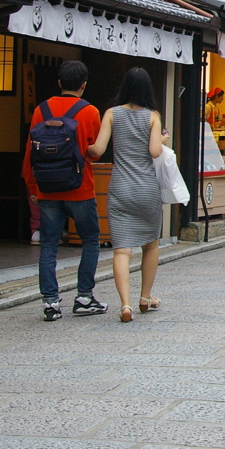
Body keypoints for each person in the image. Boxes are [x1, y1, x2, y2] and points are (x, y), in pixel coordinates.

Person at [23, 60, 106, 322]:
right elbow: (92, 150)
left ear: (59, 83)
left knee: (48, 246)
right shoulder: (90, 111)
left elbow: (30, 152)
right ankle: (84, 297)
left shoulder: (41, 110)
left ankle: (50, 302)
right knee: (90, 241)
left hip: (48, 188)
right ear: (84, 84)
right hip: (80, 188)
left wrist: (33, 185)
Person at [87, 68, 165, 323]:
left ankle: (125, 305)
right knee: (150, 245)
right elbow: (154, 152)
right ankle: (145, 297)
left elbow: (98, 149)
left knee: (122, 251)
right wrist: (164, 140)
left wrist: (80, 145)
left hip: (120, 187)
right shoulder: (153, 117)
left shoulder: (111, 114)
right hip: (146, 188)